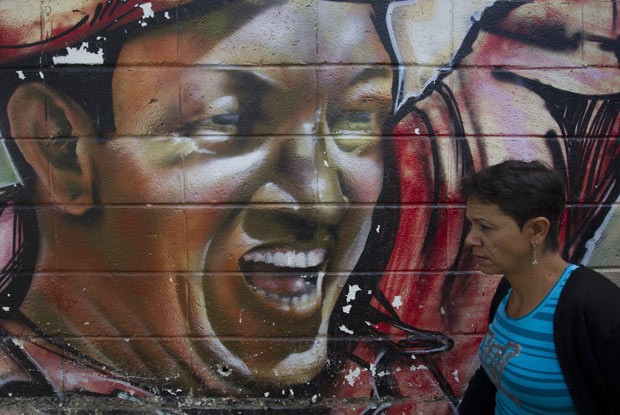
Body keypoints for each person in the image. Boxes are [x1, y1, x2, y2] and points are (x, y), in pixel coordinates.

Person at [457, 159, 620, 415]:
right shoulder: (507, 292)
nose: (470, 239)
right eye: (471, 224)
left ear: (536, 230)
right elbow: (492, 379)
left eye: (485, 227)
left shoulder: (598, 310)